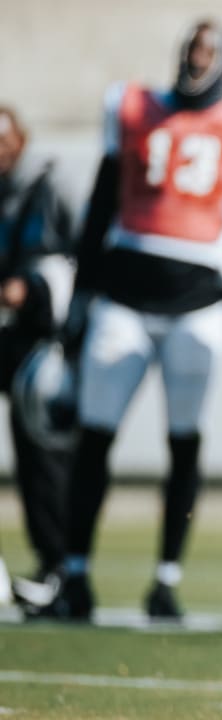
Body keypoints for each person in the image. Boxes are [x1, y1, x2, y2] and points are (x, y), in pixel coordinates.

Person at [39, 18, 222, 622]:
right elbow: (99, 204)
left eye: (208, 51)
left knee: (184, 443)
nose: (197, 60)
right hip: (124, 296)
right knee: (94, 437)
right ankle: (76, 572)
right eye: (191, 49)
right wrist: (82, 299)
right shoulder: (135, 105)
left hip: (199, 303)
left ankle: (166, 579)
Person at [0, 106, 77, 610]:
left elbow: (74, 253)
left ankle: (60, 565)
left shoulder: (49, 184)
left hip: (43, 336)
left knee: (42, 452)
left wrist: (36, 290)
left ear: (21, 139)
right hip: (8, 331)